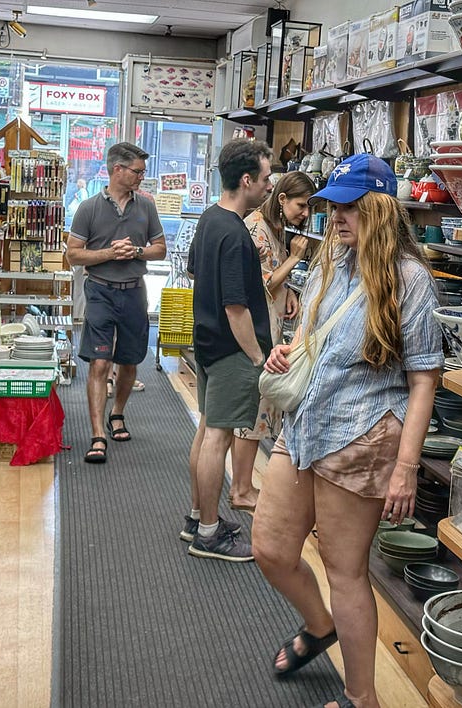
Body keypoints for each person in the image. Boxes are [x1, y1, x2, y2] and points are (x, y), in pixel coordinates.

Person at [253, 154, 442, 708]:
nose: (335, 216)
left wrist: (405, 468)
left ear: (379, 209)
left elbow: (424, 380)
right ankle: (320, 626)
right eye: (332, 205)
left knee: (345, 571)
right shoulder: (332, 263)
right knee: (270, 547)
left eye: (349, 207)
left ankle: (364, 699)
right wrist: (285, 353)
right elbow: (311, 336)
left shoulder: (411, 280)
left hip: (363, 434)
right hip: (308, 420)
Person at [181, 138, 275, 562]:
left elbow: (194, 271)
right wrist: (258, 359)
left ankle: (199, 517)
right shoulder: (236, 235)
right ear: (246, 180)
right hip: (232, 350)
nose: (270, 186)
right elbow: (236, 308)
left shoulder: (209, 220)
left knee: (206, 432)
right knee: (217, 436)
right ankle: (208, 533)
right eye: (267, 178)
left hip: (206, 345)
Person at [64, 142, 165, 464]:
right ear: (117, 170)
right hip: (100, 291)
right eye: (137, 171)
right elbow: (73, 254)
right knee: (99, 362)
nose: (141, 177)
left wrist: (135, 251)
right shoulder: (89, 208)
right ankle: (97, 434)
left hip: (135, 292)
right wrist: (109, 253)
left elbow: (160, 248)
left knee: (130, 360)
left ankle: (117, 413)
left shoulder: (146, 207)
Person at [229, 171, 316, 512]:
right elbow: (262, 284)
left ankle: (243, 485)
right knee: (252, 412)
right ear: (282, 199)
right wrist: (295, 259)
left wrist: (290, 290)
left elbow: (275, 283)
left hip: (270, 329)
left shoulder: (273, 229)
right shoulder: (257, 230)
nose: (305, 213)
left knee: (260, 409)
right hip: (257, 332)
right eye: (301, 205)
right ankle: (241, 488)